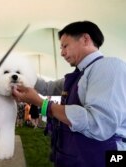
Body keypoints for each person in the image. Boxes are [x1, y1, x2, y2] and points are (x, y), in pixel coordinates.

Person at [12, 21, 126, 167]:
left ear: (85, 39)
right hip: (74, 157)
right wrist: (22, 73)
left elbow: (97, 123)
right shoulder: (78, 75)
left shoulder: (109, 67)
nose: (62, 53)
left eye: (65, 46)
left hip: (102, 158)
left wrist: (41, 103)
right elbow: (47, 87)